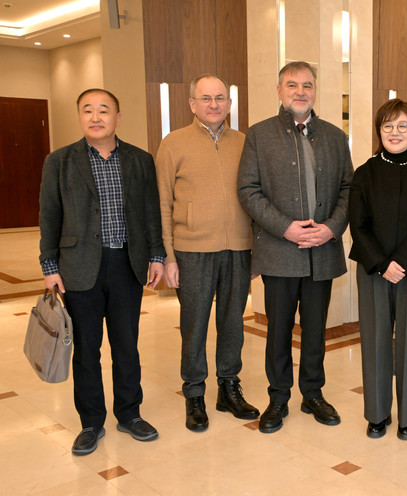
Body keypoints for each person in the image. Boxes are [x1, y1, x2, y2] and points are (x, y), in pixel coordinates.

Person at [39, 88, 165, 455]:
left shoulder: (140, 160)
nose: (96, 117)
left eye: (104, 110)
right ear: (80, 117)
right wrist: (49, 265)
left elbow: (151, 211)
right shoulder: (59, 161)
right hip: (78, 268)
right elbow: (49, 215)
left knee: (127, 346)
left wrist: (157, 255)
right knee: (86, 349)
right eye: (88, 110)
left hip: (127, 264)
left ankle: (129, 413)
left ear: (118, 118)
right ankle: (91, 422)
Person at [237, 61, 353, 434]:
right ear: (279, 91)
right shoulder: (259, 135)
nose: (300, 92)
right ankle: (278, 397)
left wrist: (331, 228)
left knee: (315, 329)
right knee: (279, 330)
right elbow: (248, 190)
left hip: (322, 251)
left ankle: (312, 394)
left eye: (307, 85)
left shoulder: (335, 137)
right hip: (279, 252)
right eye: (292, 85)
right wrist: (285, 228)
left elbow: (349, 189)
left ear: (315, 91)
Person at [156, 74, 258, 432]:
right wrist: (169, 256)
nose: (213, 104)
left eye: (220, 98)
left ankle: (228, 387)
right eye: (206, 98)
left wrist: (256, 251)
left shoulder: (244, 143)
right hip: (191, 251)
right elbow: (162, 203)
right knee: (194, 324)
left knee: (233, 323)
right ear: (192, 104)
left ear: (229, 103)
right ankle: (194, 392)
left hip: (238, 248)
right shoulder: (173, 143)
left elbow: (256, 198)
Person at [349, 99, 407, 440]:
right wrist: (381, 264)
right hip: (373, 270)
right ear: (379, 131)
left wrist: (401, 263)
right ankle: (377, 415)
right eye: (388, 126)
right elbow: (358, 226)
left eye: (403, 125)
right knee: (375, 341)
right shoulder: (365, 173)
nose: (395, 132)